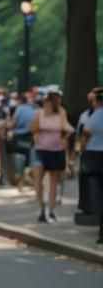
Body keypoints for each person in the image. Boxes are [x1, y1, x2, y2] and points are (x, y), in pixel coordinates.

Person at [32, 85, 74, 223]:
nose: (57, 100)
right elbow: (34, 129)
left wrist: (64, 138)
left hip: (56, 150)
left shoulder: (61, 112)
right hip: (41, 150)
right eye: (54, 98)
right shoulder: (40, 113)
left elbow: (66, 127)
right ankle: (40, 208)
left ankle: (51, 209)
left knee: (53, 182)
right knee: (38, 180)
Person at [78, 88, 103, 244]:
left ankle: (101, 232)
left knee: (98, 194)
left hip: (94, 157)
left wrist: (82, 151)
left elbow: (85, 134)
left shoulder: (94, 116)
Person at [7, 91, 36, 190]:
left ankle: (20, 183)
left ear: (19, 100)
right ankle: (30, 178)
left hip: (19, 137)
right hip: (30, 137)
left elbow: (13, 124)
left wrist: (7, 127)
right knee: (28, 159)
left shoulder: (19, 109)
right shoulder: (33, 109)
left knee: (19, 159)